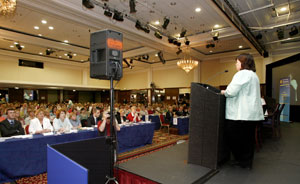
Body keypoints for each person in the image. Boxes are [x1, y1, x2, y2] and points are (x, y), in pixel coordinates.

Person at [221, 53, 264, 169]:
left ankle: (241, 160)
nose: (236, 64)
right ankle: (246, 162)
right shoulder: (254, 75)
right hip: (251, 115)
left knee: (232, 136)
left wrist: (224, 92)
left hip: (241, 115)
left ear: (243, 63)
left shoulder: (242, 74)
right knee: (248, 140)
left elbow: (231, 92)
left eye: (237, 62)